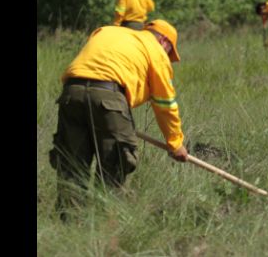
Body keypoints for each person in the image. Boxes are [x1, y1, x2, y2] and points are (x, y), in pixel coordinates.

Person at [48, 19, 189, 220]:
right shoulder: (156, 50)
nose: (167, 56)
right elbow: (165, 104)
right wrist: (175, 143)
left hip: (72, 93)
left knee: (72, 164)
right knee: (114, 164)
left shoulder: (106, 31)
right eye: (169, 52)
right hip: (109, 96)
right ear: (164, 42)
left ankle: (69, 223)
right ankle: (105, 223)